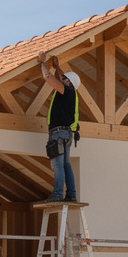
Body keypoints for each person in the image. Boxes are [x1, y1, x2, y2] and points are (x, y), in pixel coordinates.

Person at [36, 51, 80, 203]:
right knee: (66, 164)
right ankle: (71, 194)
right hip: (66, 134)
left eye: (65, 79)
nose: (63, 79)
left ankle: (57, 194)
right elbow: (61, 77)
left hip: (59, 133)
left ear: (69, 82)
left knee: (58, 165)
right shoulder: (71, 93)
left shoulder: (66, 91)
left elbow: (48, 77)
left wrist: (42, 62)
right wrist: (57, 66)